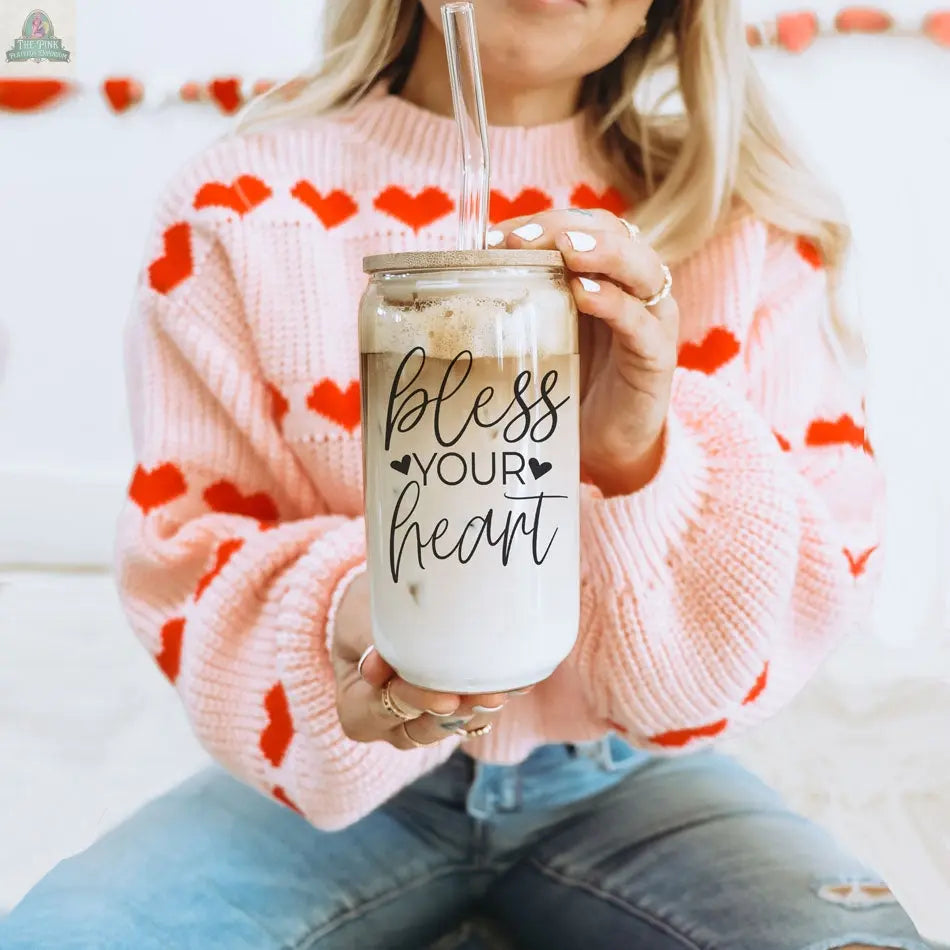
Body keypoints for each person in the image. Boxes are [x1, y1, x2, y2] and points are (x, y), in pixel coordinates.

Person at [0, 1, 931, 948]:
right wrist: (354, 615)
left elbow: (798, 597)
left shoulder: (745, 225)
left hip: (628, 775)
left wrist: (634, 460)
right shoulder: (234, 214)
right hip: (340, 795)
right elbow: (186, 555)